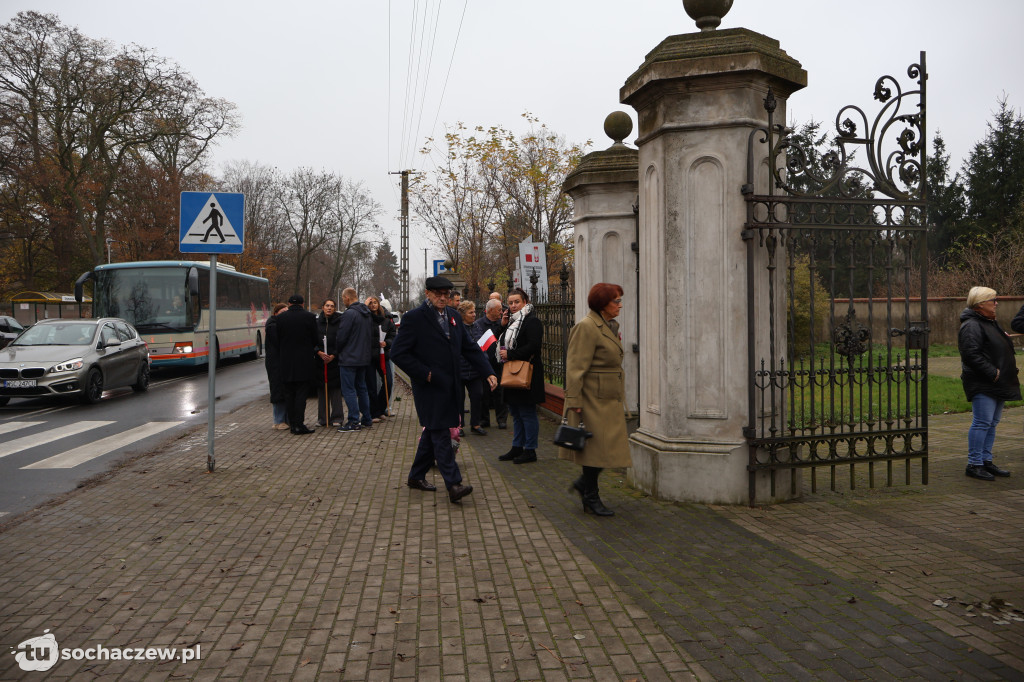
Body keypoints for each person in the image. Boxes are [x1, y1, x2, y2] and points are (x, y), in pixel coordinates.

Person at [391, 276, 497, 504]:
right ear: (427, 293)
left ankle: (416, 476)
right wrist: (425, 373)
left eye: (446, 294)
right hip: (428, 387)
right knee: (440, 433)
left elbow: (469, 348)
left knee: (432, 431)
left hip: (451, 386)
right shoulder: (414, 318)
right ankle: (454, 484)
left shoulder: (453, 317)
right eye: (437, 294)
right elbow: (398, 353)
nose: (442, 298)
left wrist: (487, 371)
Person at [559, 283, 631, 516]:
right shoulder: (587, 327)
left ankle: (585, 487)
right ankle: (590, 496)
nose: (620, 304)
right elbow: (575, 367)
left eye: (620, 300)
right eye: (616, 301)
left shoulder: (609, 325)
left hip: (608, 397)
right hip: (591, 398)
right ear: (602, 304)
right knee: (597, 448)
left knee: (604, 447)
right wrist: (574, 401)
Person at [959, 286, 1018, 480]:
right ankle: (974, 464)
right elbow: (970, 354)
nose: (996, 303)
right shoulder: (972, 325)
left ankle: (985, 460)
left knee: (991, 423)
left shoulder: (988, 322)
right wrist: (992, 373)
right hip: (984, 382)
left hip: (998, 381)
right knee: (982, 422)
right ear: (981, 304)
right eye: (993, 300)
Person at [496, 287, 545, 464]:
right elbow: (499, 342)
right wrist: (502, 325)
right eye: (510, 303)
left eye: (517, 302)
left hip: (526, 373)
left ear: (525, 302)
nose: (514, 305)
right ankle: (517, 447)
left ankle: (530, 450)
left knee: (527, 412)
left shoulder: (532, 322)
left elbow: (533, 346)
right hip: (512, 372)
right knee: (515, 412)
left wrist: (510, 355)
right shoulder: (511, 322)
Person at [274, 294, 321, 434]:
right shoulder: (310, 317)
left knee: (289, 395)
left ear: (288, 304)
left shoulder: (280, 318)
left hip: (286, 362)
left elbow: (277, 339)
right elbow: (315, 339)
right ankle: (299, 424)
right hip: (304, 362)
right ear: (303, 304)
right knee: (301, 395)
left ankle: (292, 423)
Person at [335, 287, 374, 432]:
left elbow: (342, 336)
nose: (343, 300)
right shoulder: (367, 313)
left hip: (349, 358)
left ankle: (353, 421)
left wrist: (338, 351)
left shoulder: (349, 314)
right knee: (362, 388)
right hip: (363, 358)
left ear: (347, 297)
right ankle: (367, 418)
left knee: (349, 390)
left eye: (343, 298)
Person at [472, 298, 508, 429]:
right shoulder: (478, 324)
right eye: (499, 310)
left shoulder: (503, 322)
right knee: (484, 393)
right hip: (485, 363)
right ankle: (484, 419)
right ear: (491, 310)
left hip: (500, 363)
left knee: (501, 392)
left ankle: (502, 419)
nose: (501, 312)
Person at [458, 300, 488, 436]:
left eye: (475, 312)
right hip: (459, 369)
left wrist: (484, 358)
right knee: (459, 399)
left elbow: (482, 344)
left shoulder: (477, 327)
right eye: (471, 312)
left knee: (477, 396)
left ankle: (475, 424)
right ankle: (459, 426)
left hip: (475, 370)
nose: (474, 315)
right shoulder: (457, 328)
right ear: (463, 314)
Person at [365, 296, 396, 421]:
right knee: (371, 385)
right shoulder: (366, 319)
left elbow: (392, 334)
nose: (373, 305)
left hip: (383, 355)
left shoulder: (386, 320)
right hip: (369, 356)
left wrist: (387, 342)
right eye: (370, 303)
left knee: (388, 381)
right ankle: (373, 412)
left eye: (375, 303)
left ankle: (381, 407)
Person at [315, 299, 345, 426]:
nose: (329, 308)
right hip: (320, 361)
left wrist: (333, 355)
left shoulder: (339, 322)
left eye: (332, 306)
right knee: (322, 390)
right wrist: (319, 352)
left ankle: (337, 417)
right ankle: (323, 418)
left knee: (336, 391)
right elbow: (312, 340)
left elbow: (342, 340)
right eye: (327, 306)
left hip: (334, 360)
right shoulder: (316, 323)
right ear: (322, 307)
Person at [264, 303, 290, 429]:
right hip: (275, 363)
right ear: (276, 313)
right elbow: (280, 342)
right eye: (282, 312)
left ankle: (283, 419)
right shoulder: (272, 326)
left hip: (279, 362)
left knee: (283, 390)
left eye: (286, 312)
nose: (284, 314)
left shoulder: (276, 324)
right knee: (278, 390)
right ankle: (279, 420)